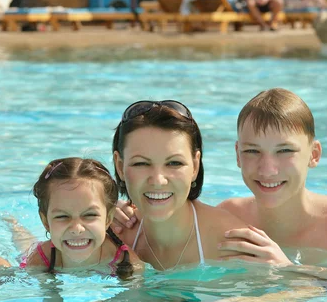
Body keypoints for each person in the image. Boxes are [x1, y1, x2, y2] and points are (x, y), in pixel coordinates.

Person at [217, 88, 327, 260]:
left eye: (284, 150)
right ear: (238, 155)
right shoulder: (227, 218)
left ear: (314, 154)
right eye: (252, 151)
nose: (267, 169)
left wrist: (287, 272)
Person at [111, 100, 271, 270]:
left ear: (195, 166)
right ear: (120, 166)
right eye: (141, 164)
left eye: (174, 163)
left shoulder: (232, 242)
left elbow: (287, 292)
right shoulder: (113, 235)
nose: (158, 180)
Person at [19, 157, 143, 278]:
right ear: (45, 221)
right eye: (62, 216)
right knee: (24, 245)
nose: (77, 228)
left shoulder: (125, 260)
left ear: (108, 219)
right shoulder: (41, 259)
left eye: (90, 215)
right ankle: (15, 226)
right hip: (35, 254)